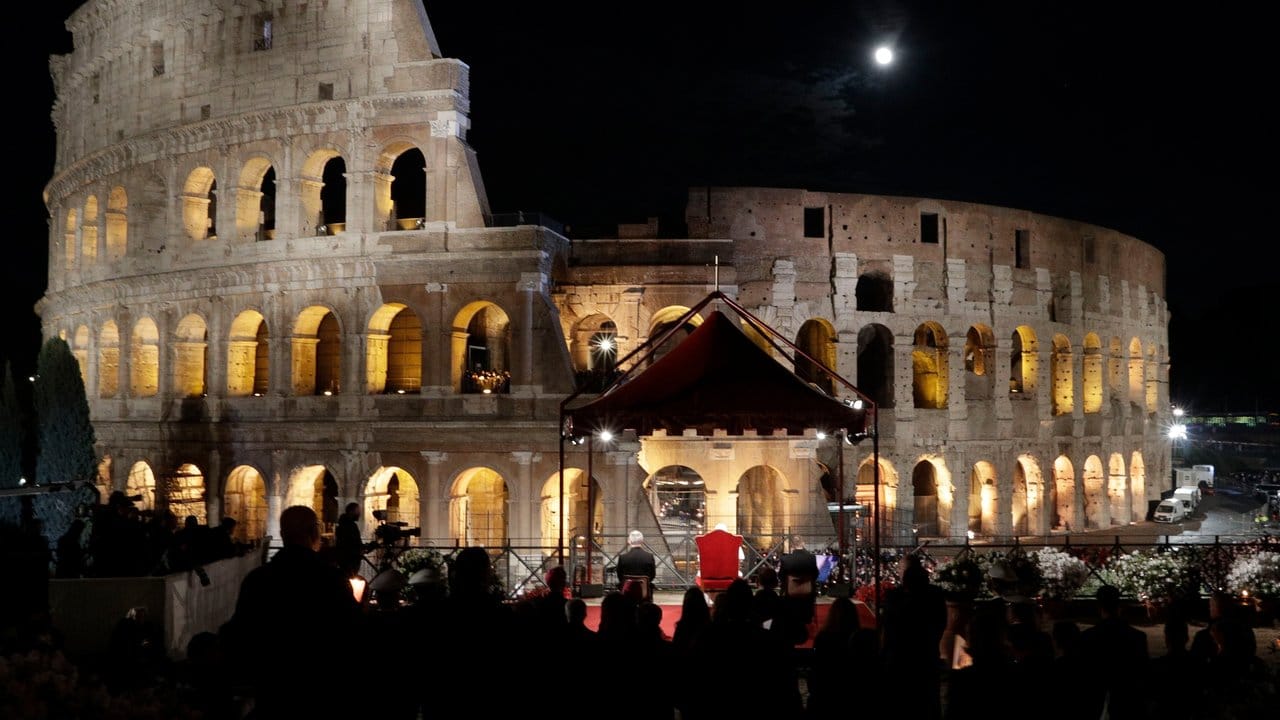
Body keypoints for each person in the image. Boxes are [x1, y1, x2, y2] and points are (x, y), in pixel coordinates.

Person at [220, 505, 363, 719]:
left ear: (282, 534)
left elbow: (239, 636)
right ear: (314, 533)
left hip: (274, 693)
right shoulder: (330, 579)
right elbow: (352, 634)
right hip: (321, 693)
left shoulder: (258, 579)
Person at [1076, 584, 1149, 720]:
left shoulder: (1088, 637)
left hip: (1096, 702)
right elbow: (1143, 672)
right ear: (1119, 605)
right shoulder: (1137, 637)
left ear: (1099, 606)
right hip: (1128, 703)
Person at [615, 529, 656, 599]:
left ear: (629, 541)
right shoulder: (649, 557)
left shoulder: (623, 558)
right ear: (642, 541)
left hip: (627, 592)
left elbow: (620, 576)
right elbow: (652, 575)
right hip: (644, 592)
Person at [334, 501, 363, 578]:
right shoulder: (351, 526)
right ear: (351, 511)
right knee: (350, 578)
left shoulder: (342, 524)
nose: (359, 514)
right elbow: (353, 542)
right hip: (351, 559)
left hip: (344, 559)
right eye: (358, 511)